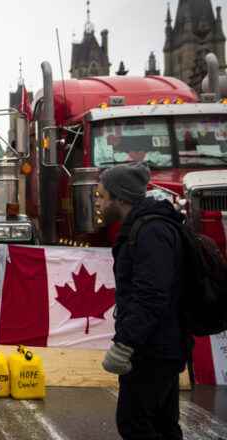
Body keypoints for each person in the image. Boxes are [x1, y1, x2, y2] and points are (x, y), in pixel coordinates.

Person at [96, 163, 190, 440]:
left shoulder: (151, 232)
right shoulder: (144, 226)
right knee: (162, 425)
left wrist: (125, 345)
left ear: (121, 198)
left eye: (102, 196)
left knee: (134, 424)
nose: (98, 202)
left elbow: (151, 296)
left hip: (155, 348)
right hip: (159, 344)